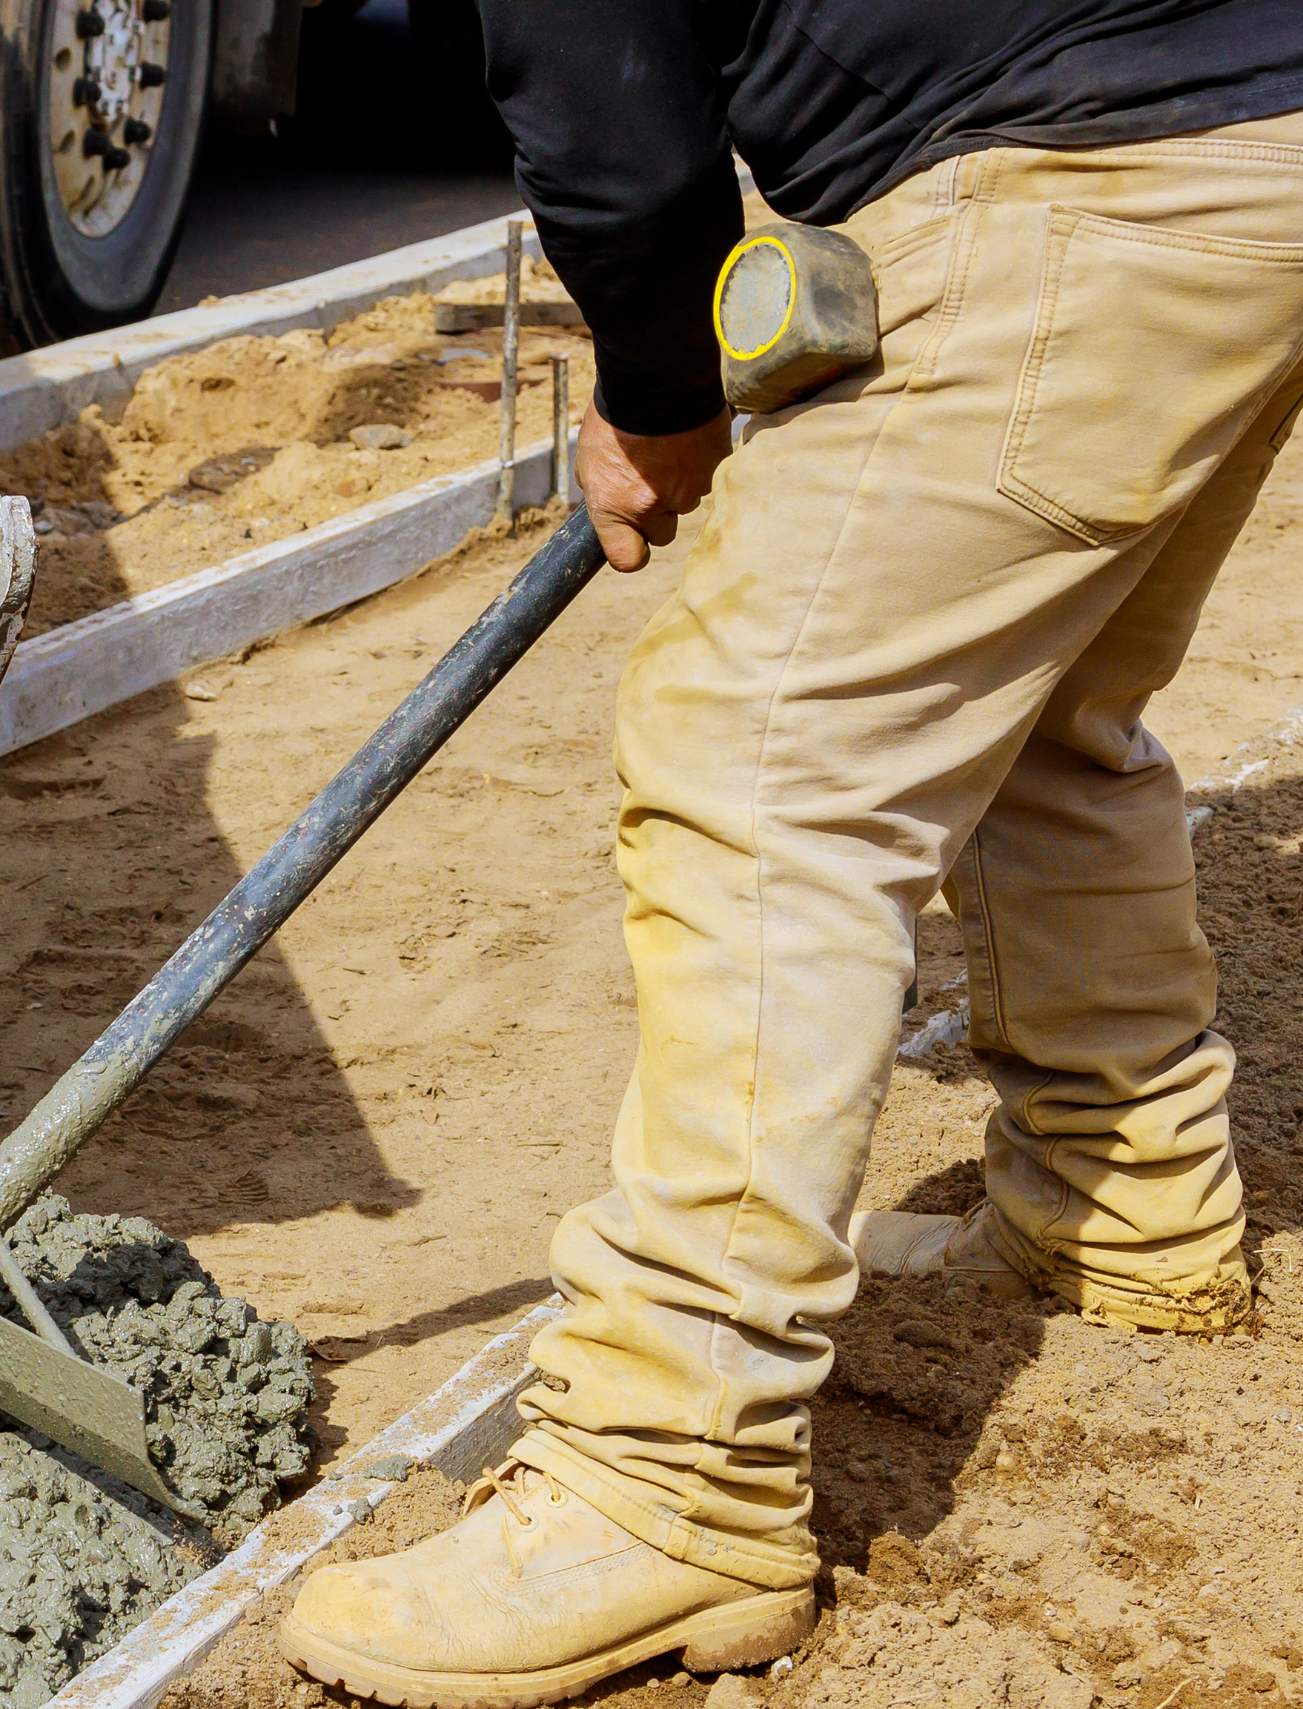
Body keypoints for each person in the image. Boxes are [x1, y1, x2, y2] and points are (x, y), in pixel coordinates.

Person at [277, 3, 1303, 1703]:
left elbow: (610, 108)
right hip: (1252, 125)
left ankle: (663, 1479)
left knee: (762, 761)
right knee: (1044, 709)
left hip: (1078, 165)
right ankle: (1125, 1209)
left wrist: (659, 389)